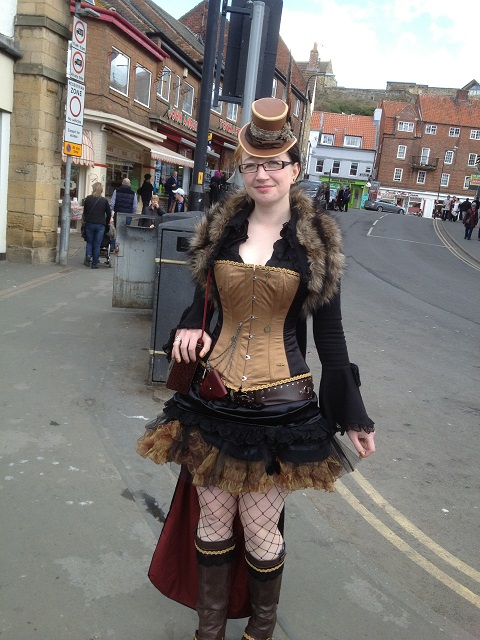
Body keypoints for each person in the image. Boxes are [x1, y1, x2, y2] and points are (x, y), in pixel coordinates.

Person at [136, 97, 375, 640]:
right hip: (214, 405)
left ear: (294, 169)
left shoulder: (315, 245)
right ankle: (209, 633)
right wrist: (187, 331)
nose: (262, 174)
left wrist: (355, 417)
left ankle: (259, 634)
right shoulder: (221, 231)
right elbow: (204, 306)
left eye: (274, 164)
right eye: (251, 165)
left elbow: (330, 339)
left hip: (279, 411)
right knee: (214, 522)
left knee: (261, 530)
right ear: (240, 169)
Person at [82, 182, 111, 269]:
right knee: (97, 244)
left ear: (93, 188)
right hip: (100, 225)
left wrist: (86, 219)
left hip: (90, 223)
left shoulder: (88, 199)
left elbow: (85, 211)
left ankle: (88, 255)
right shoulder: (104, 200)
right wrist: (106, 222)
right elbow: (108, 213)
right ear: (101, 189)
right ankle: (94, 264)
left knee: (89, 242)